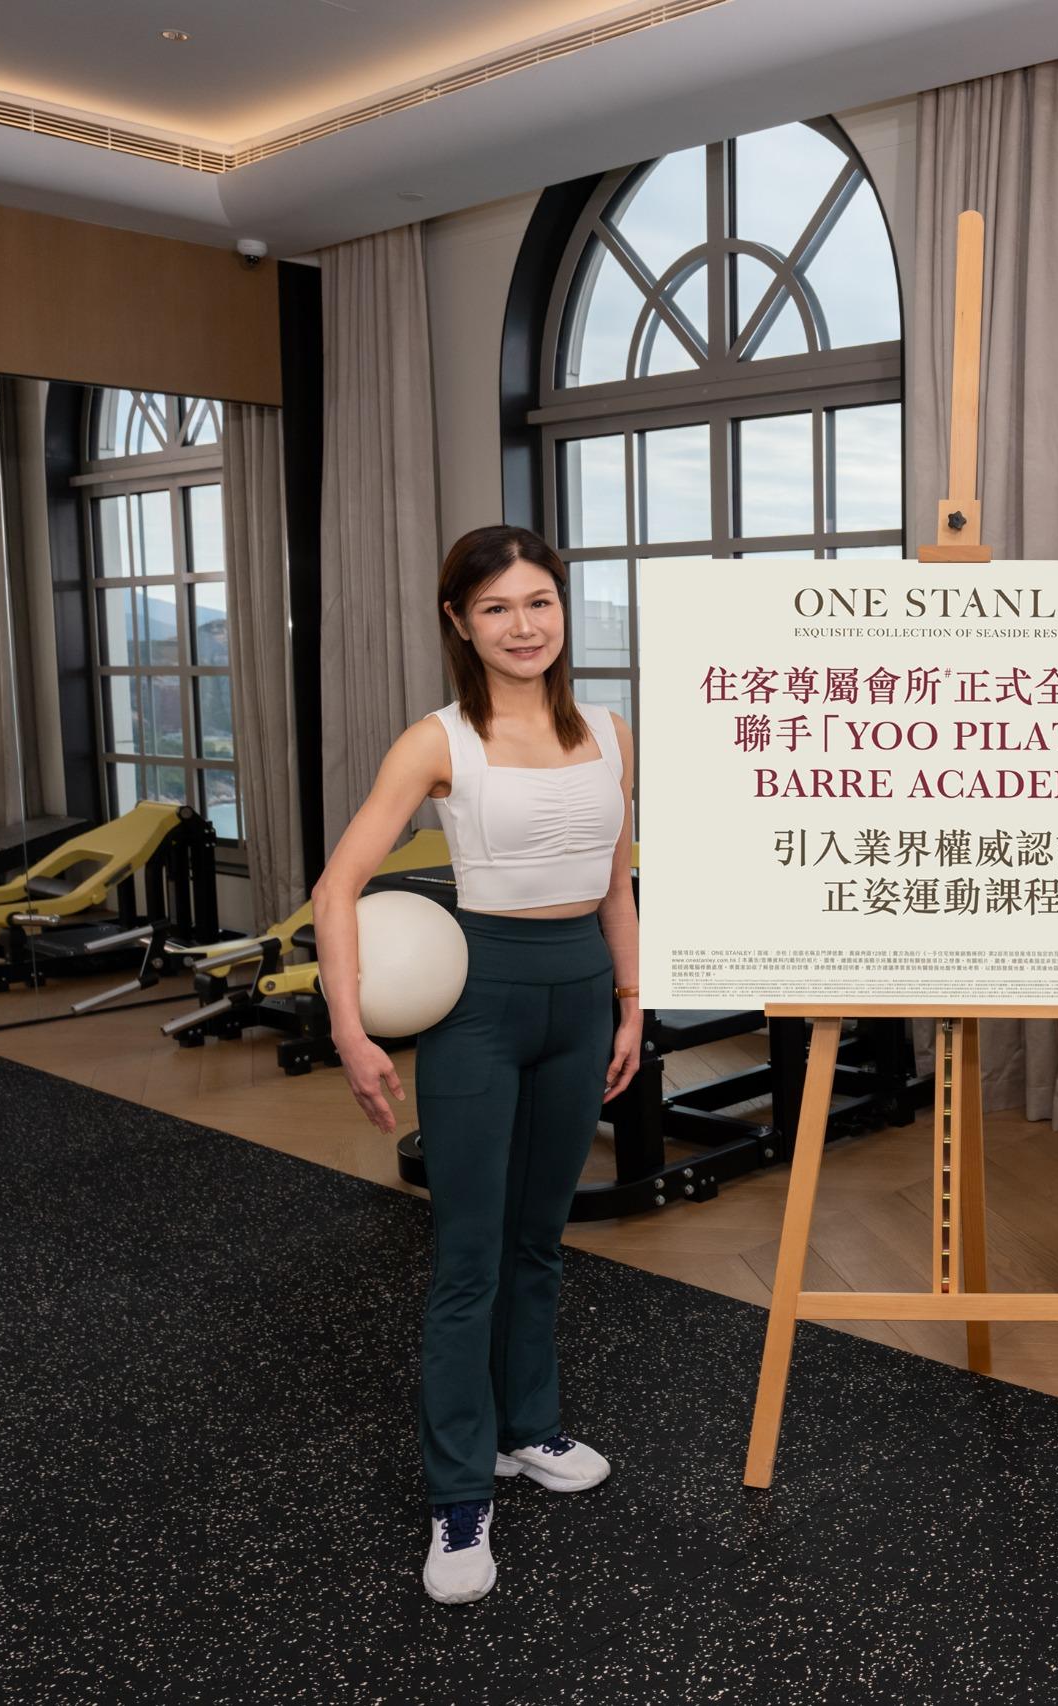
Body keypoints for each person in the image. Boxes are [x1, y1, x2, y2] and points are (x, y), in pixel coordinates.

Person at [312, 524, 642, 1605]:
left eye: (539, 601)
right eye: (496, 607)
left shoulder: (611, 731)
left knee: (539, 1238)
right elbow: (337, 887)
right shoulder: (437, 740)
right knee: (469, 1256)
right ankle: (459, 1493)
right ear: (459, 621)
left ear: (563, 607)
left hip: (579, 996)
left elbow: (615, 884)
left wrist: (631, 1002)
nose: (523, 625)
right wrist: (351, 1027)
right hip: (479, 1001)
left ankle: (526, 1427)